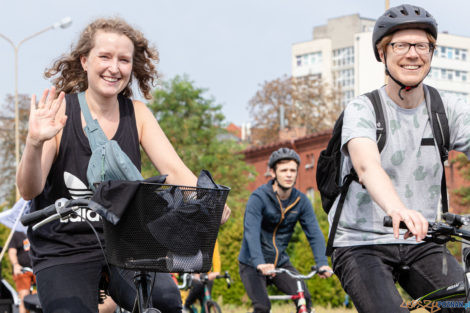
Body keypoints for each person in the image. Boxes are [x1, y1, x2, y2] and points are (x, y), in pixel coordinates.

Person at [16, 17, 230, 313]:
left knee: (166, 302)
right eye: (104, 56)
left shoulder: (138, 114)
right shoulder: (61, 113)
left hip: (125, 243)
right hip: (64, 246)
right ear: (85, 61)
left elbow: (177, 170)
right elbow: (29, 189)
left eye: (124, 60)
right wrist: (35, 142)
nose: (114, 68)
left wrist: (210, 202)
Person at [329, 4, 470, 313]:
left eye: (422, 45)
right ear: (383, 53)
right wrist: (399, 210)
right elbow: (367, 167)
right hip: (359, 243)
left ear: (431, 53)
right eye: (401, 45)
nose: (413, 54)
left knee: (464, 303)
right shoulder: (363, 110)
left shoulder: (448, 110)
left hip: (422, 243)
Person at [238, 147, 332, 313]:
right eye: (283, 170)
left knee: (304, 298)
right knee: (262, 306)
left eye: (292, 170)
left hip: (279, 261)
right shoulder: (258, 198)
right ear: (273, 173)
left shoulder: (300, 201)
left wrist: (322, 263)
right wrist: (259, 262)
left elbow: (314, 234)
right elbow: (251, 233)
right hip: (252, 262)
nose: (289, 174)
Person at [183, 239, 221, 312]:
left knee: (206, 297)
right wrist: (194, 272)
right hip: (192, 272)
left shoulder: (213, 237)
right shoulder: (193, 235)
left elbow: (216, 255)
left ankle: (206, 307)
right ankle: (186, 305)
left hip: (205, 273)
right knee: (198, 285)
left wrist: (216, 271)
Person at [8, 231, 35, 313]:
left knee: (46, 294)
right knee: (24, 296)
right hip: (23, 271)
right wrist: (16, 265)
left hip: (37, 269)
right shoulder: (17, 234)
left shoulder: (36, 230)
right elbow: (12, 252)